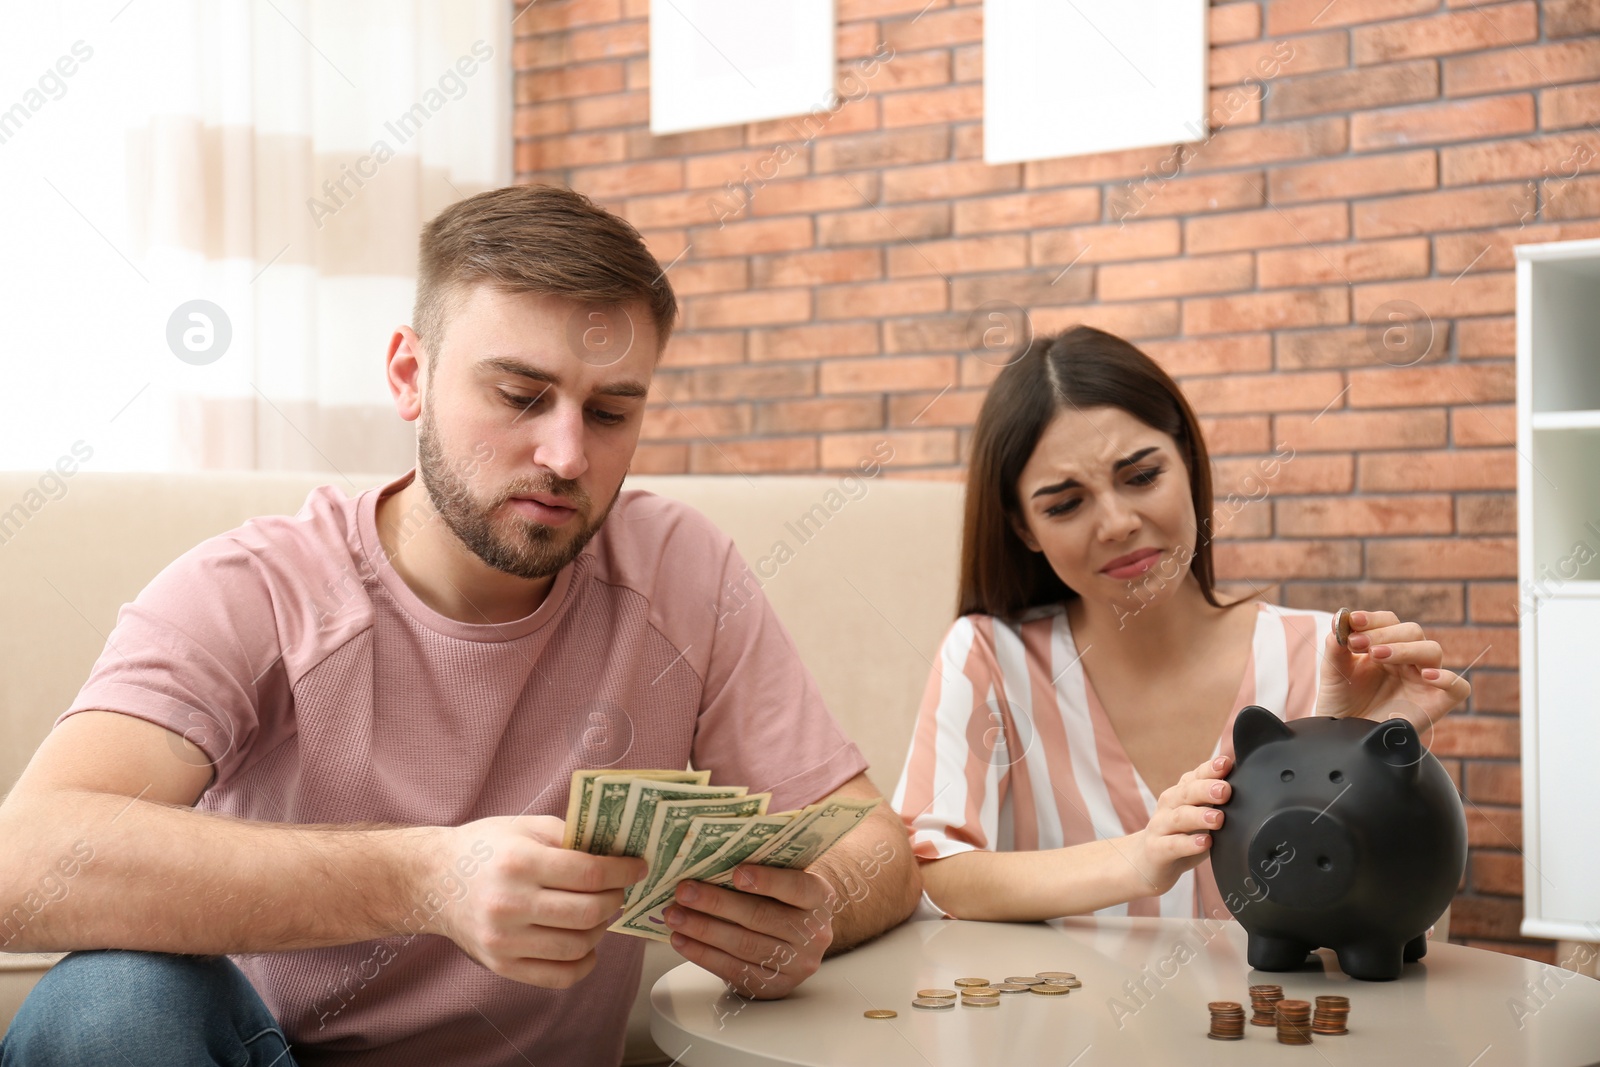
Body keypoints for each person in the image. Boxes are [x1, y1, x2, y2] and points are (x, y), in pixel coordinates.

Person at [0, 185, 919, 1066]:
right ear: (410, 374)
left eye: (609, 412)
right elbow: (26, 858)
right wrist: (424, 879)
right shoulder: (255, 587)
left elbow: (874, 844)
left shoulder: (681, 571)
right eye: (520, 396)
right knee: (109, 1007)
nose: (565, 455)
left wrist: (810, 908)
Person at [892, 325, 1470, 924]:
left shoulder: (1327, 661)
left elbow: (1391, 910)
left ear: (1189, 463)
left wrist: (1354, 752)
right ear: (1023, 530)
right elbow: (937, 871)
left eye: (1141, 476)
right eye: (1065, 504)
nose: (1116, 523)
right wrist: (1139, 858)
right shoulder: (989, 655)